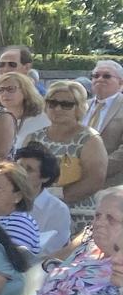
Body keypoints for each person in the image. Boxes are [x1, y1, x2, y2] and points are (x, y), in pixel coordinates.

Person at [35, 79, 110, 232]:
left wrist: (57, 198)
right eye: (52, 103)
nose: (58, 108)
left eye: (66, 104)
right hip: (37, 212)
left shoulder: (90, 139)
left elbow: (95, 180)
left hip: (77, 215)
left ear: (79, 107)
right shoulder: (33, 138)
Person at [13, 140, 78, 257]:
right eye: (18, 166)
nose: (20, 173)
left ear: (45, 177)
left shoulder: (58, 210)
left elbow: (49, 253)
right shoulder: (1, 198)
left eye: (29, 169)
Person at [0, 68, 49, 148]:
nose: (5, 93)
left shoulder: (43, 118)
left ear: (25, 90)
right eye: (1, 90)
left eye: (11, 89)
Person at [91, 58, 123, 183]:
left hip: (110, 184)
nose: (100, 79)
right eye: (96, 75)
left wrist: (95, 171)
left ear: (121, 83)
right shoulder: (80, 106)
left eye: (107, 76)